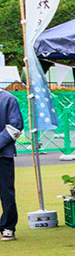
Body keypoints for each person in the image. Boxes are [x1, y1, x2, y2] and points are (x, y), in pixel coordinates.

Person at [0, 86, 22, 240]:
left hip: (3, 155)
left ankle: (8, 226)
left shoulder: (8, 99)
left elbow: (15, 127)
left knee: (6, 192)